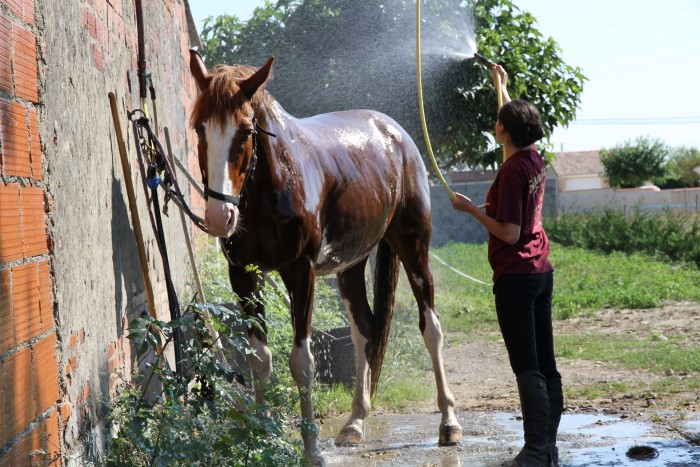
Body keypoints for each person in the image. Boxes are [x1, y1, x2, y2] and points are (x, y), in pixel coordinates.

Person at [450, 64, 563, 467]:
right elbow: (513, 130)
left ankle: (534, 453)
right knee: (546, 364)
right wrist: (502, 87)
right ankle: (547, 448)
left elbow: (510, 233)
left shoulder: (513, 171)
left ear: (502, 131)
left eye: (498, 123)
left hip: (516, 276)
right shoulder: (533, 158)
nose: (496, 127)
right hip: (541, 271)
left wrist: (470, 211)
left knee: (527, 366)